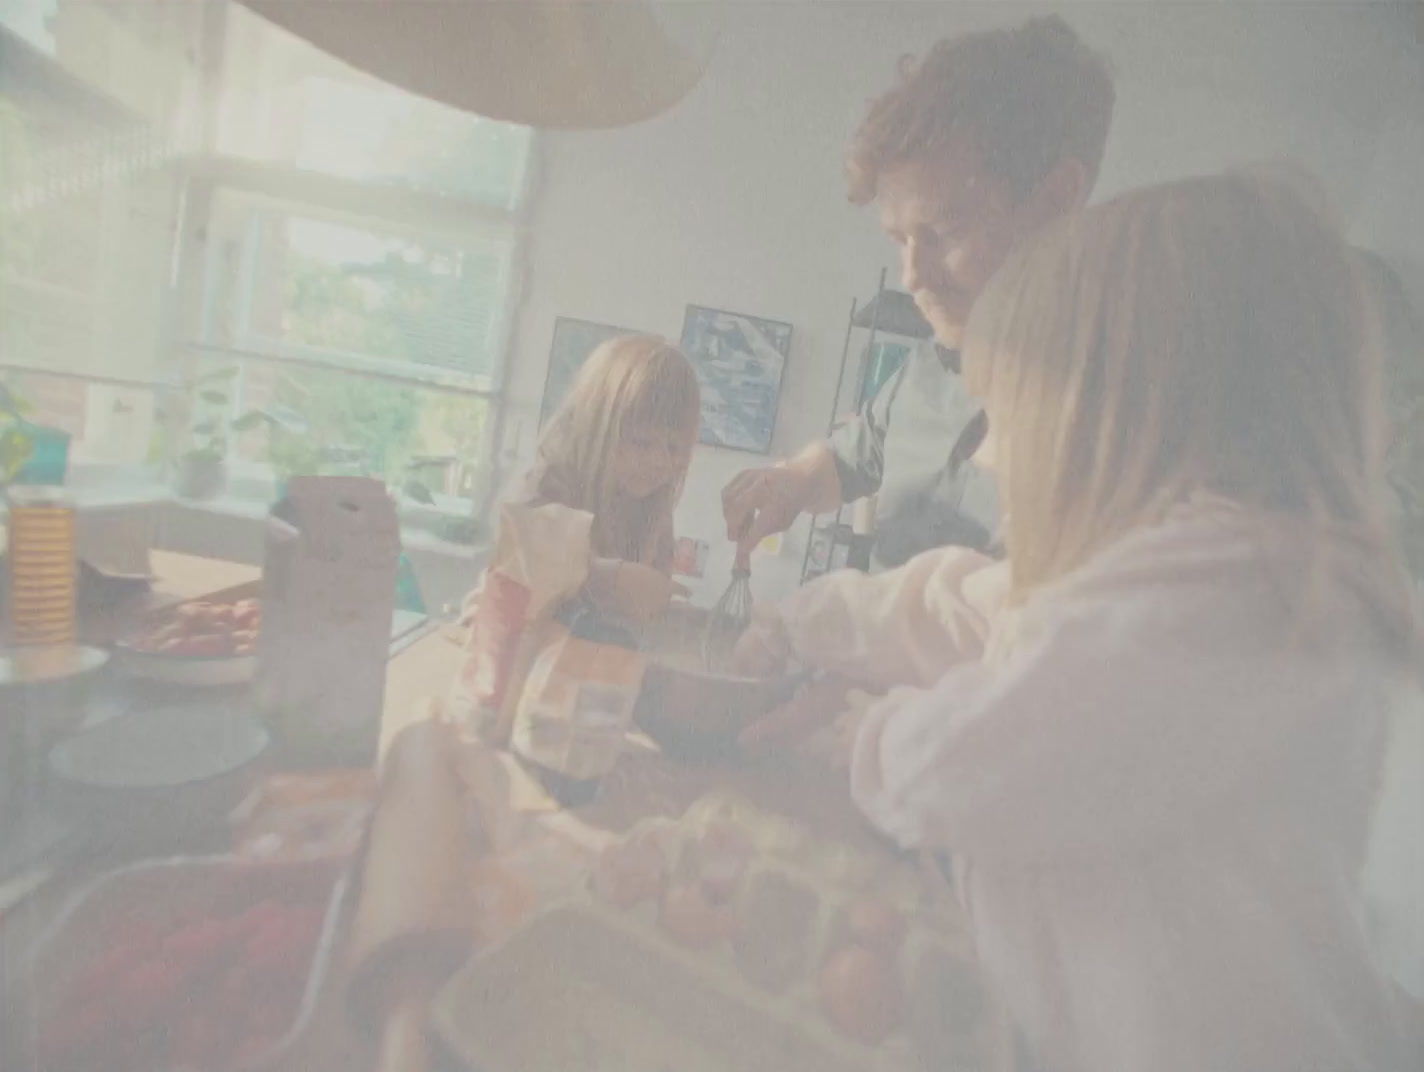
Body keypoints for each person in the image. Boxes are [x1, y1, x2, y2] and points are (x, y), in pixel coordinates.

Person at [737, 175, 1424, 1071]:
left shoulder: (1229, 597)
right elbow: (960, 603)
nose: (982, 453)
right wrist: (798, 622)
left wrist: (858, 732)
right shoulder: (1172, 578)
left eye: (1009, 414)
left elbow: (967, 769)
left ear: (1125, 416)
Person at [721, 15, 1115, 570]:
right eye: (899, 238)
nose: (912, 276)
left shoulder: (1137, 409)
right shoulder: (928, 370)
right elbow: (847, 458)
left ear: (1055, 201)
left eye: (943, 233)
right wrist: (789, 482)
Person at [462, 334, 699, 624]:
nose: (660, 462)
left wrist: (663, 607)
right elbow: (525, 568)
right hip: (504, 646)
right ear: (594, 430)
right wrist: (612, 578)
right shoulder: (546, 483)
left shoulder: (650, 502)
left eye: (674, 448)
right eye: (641, 442)